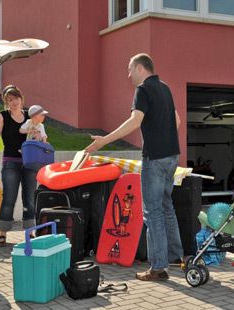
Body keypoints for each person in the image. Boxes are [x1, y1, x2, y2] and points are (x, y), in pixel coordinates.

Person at [85, 53, 183, 281]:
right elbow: (176, 122)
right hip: (172, 156)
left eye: (130, 69)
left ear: (140, 68)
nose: (128, 75)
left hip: (155, 158)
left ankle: (158, 267)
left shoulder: (143, 89)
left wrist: (103, 140)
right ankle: (177, 257)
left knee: (153, 211)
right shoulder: (165, 88)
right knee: (167, 206)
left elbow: (135, 121)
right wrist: (165, 140)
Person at [0, 85, 38, 243]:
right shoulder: (3, 116)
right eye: (9, 100)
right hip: (10, 163)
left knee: (30, 198)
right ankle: (2, 232)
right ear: (6, 102)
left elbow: (38, 138)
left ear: (21, 99)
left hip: (29, 164)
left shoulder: (30, 117)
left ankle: (30, 231)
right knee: (9, 198)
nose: (14, 102)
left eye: (16, 98)